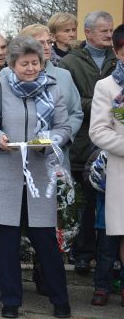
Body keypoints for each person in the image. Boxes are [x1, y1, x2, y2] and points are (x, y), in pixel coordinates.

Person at [0, 36, 73, 319]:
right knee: (6, 246)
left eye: (35, 63)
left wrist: (50, 141)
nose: (30, 68)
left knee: (46, 243)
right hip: (5, 174)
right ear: (13, 64)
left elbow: (64, 128)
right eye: (24, 63)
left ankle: (60, 301)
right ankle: (11, 302)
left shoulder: (53, 89)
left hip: (41, 177)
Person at [59, 11, 116, 275]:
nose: (109, 35)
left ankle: (109, 257)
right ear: (89, 33)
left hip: (112, 144)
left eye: (111, 30)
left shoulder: (117, 59)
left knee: (109, 205)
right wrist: (101, 104)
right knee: (84, 205)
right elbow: (65, 101)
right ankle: (82, 254)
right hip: (81, 144)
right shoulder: (70, 62)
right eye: (104, 30)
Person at [88, 23, 124, 307]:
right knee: (114, 234)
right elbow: (98, 131)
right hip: (120, 170)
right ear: (117, 51)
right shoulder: (107, 86)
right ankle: (104, 286)